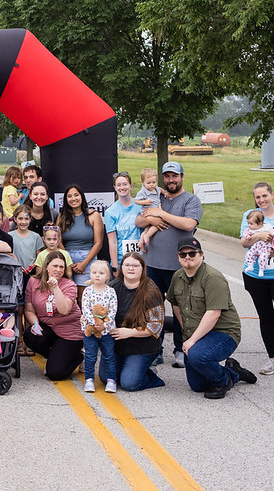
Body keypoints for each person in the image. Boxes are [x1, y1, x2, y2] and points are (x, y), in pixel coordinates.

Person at [167, 236, 256, 399]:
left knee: (197, 356)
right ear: (178, 257)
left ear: (202, 255)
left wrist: (192, 340)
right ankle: (233, 372)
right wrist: (184, 330)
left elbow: (213, 313)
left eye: (192, 253)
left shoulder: (213, 278)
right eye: (183, 254)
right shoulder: (177, 277)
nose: (188, 257)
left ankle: (223, 382)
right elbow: (175, 304)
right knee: (198, 386)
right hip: (197, 334)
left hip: (223, 333)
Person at [138, 161, 203, 369]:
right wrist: (153, 220)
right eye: (166, 176)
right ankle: (155, 350)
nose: (170, 180)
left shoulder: (191, 200)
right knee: (153, 309)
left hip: (179, 266)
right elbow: (139, 221)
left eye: (174, 176)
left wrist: (160, 215)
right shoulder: (157, 196)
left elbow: (188, 224)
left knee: (181, 311)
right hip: (153, 264)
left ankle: (180, 349)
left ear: (182, 177)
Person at [102, 252, 165, 391]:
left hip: (142, 346)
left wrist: (130, 332)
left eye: (135, 265)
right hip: (117, 345)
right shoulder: (112, 287)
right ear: (121, 267)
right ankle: (128, 367)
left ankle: (149, 375)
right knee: (106, 378)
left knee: (129, 384)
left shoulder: (151, 292)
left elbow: (155, 327)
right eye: (127, 265)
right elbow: (101, 311)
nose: (131, 268)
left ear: (142, 268)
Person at [23, 251, 83, 380]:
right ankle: (57, 356)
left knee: (55, 374)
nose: (58, 270)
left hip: (70, 332)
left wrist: (56, 288)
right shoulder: (33, 281)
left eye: (61, 267)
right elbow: (29, 309)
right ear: (46, 266)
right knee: (29, 335)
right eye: (55, 266)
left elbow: (64, 310)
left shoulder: (69, 285)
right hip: (49, 328)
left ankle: (78, 356)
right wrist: (35, 324)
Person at [57, 184, 104, 295]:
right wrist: (68, 261)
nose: (73, 199)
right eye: (69, 196)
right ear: (66, 199)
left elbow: (98, 243)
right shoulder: (61, 216)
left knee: (84, 297)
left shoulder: (93, 215)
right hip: (66, 258)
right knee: (68, 295)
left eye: (76, 195)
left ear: (82, 196)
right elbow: (58, 240)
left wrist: (83, 264)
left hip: (87, 258)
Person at [80, 261, 118, 394]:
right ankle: (89, 379)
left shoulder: (111, 292)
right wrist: (94, 323)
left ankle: (111, 380)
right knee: (90, 355)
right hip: (90, 329)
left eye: (101, 273)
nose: (97, 276)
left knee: (109, 355)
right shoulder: (87, 291)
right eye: (94, 273)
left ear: (107, 276)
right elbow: (85, 308)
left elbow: (113, 310)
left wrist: (104, 325)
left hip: (107, 330)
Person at [105, 172, 143, 270]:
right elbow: (112, 241)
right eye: (119, 185)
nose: (122, 187)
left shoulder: (141, 205)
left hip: (142, 259)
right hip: (122, 261)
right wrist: (115, 266)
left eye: (125, 184)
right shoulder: (110, 212)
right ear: (114, 187)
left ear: (131, 186)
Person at [10, 205, 44, 274]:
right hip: (14, 273)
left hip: (32, 273)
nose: (23, 222)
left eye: (26, 219)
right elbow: (8, 256)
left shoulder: (36, 237)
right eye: (20, 218)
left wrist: (32, 267)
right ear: (15, 219)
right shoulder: (10, 236)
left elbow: (39, 257)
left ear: (30, 219)